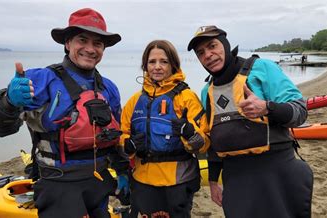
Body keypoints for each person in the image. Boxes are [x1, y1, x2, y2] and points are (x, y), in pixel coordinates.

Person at [0, 8, 129, 218]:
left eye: (97, 43)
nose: (90, 49)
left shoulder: (108, 89)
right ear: (67, 43)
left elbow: (114, 137)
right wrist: (8, 103)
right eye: (82, 40)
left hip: (98, 183)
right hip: (58, 186)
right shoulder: (40, 80)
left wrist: (123, 170)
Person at [187, 25, 314, 217]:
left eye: (213, 46)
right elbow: (214, 140)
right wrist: (213, 181)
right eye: (201, 52)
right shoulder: (207, 91)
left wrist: (267, 107)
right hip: (236, 177)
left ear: (225, 45)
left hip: (276, 169)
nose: (208, 55)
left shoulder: (262, 68)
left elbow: (300, 111)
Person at [120, 40, 210, 217]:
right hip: (142, 180)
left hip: (178, 181)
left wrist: (191, 134)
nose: (157, 67)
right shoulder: (134, 101)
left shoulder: (186, 98)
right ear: (145, 65)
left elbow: (205, 141)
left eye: (164, 61)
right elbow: (122, 136)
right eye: (152, 62)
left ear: (173, 65)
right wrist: (127, 145)